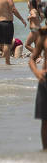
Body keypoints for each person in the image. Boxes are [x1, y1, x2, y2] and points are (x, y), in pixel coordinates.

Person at [28, 13, 47, 149]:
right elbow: (32, 59)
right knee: (45, 121)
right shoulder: (43, 35)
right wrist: (37, 72)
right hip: (45, 79)